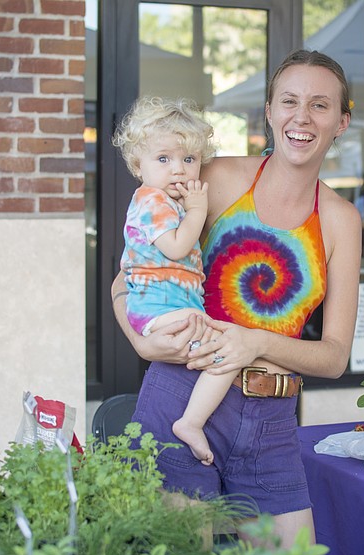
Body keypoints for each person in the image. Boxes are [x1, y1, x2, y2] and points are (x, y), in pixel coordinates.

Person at [112, 50, 361, 547]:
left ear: (341, 122)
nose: (302, 117)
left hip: (270, 424)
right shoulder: (217, 179)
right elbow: (132, 273)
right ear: (269, 111)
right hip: (178, 394)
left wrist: (254, 343)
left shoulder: (340, 220)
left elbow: (334, 357)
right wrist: (139, 341)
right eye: (289, 101)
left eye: (320, 105)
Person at [113, 96, 236, 466]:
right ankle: (191, 422)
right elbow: (178, 246)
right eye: (163, 159)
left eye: (188, 159)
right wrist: (199, 210)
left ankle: (192, 419)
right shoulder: (151, 201)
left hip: (166, 305)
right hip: (156, 307)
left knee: (220, 349)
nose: (178, 170)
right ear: (139, 165)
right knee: (228, 351)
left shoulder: (167, 202)